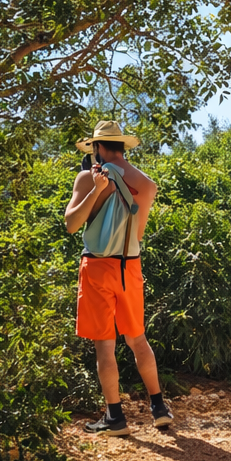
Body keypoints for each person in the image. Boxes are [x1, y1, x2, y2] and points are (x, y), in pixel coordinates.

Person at [64, 120, 169, 436]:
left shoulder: (88, 178)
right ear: (122, 146)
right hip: (130, 266)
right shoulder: (146, 185)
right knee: (138, 339)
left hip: (97, 267)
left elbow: (71, 225)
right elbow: (138, 234)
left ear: (97, 147)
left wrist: (96, 190)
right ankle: (159, 408)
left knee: (105, 345)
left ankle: (115, 417)